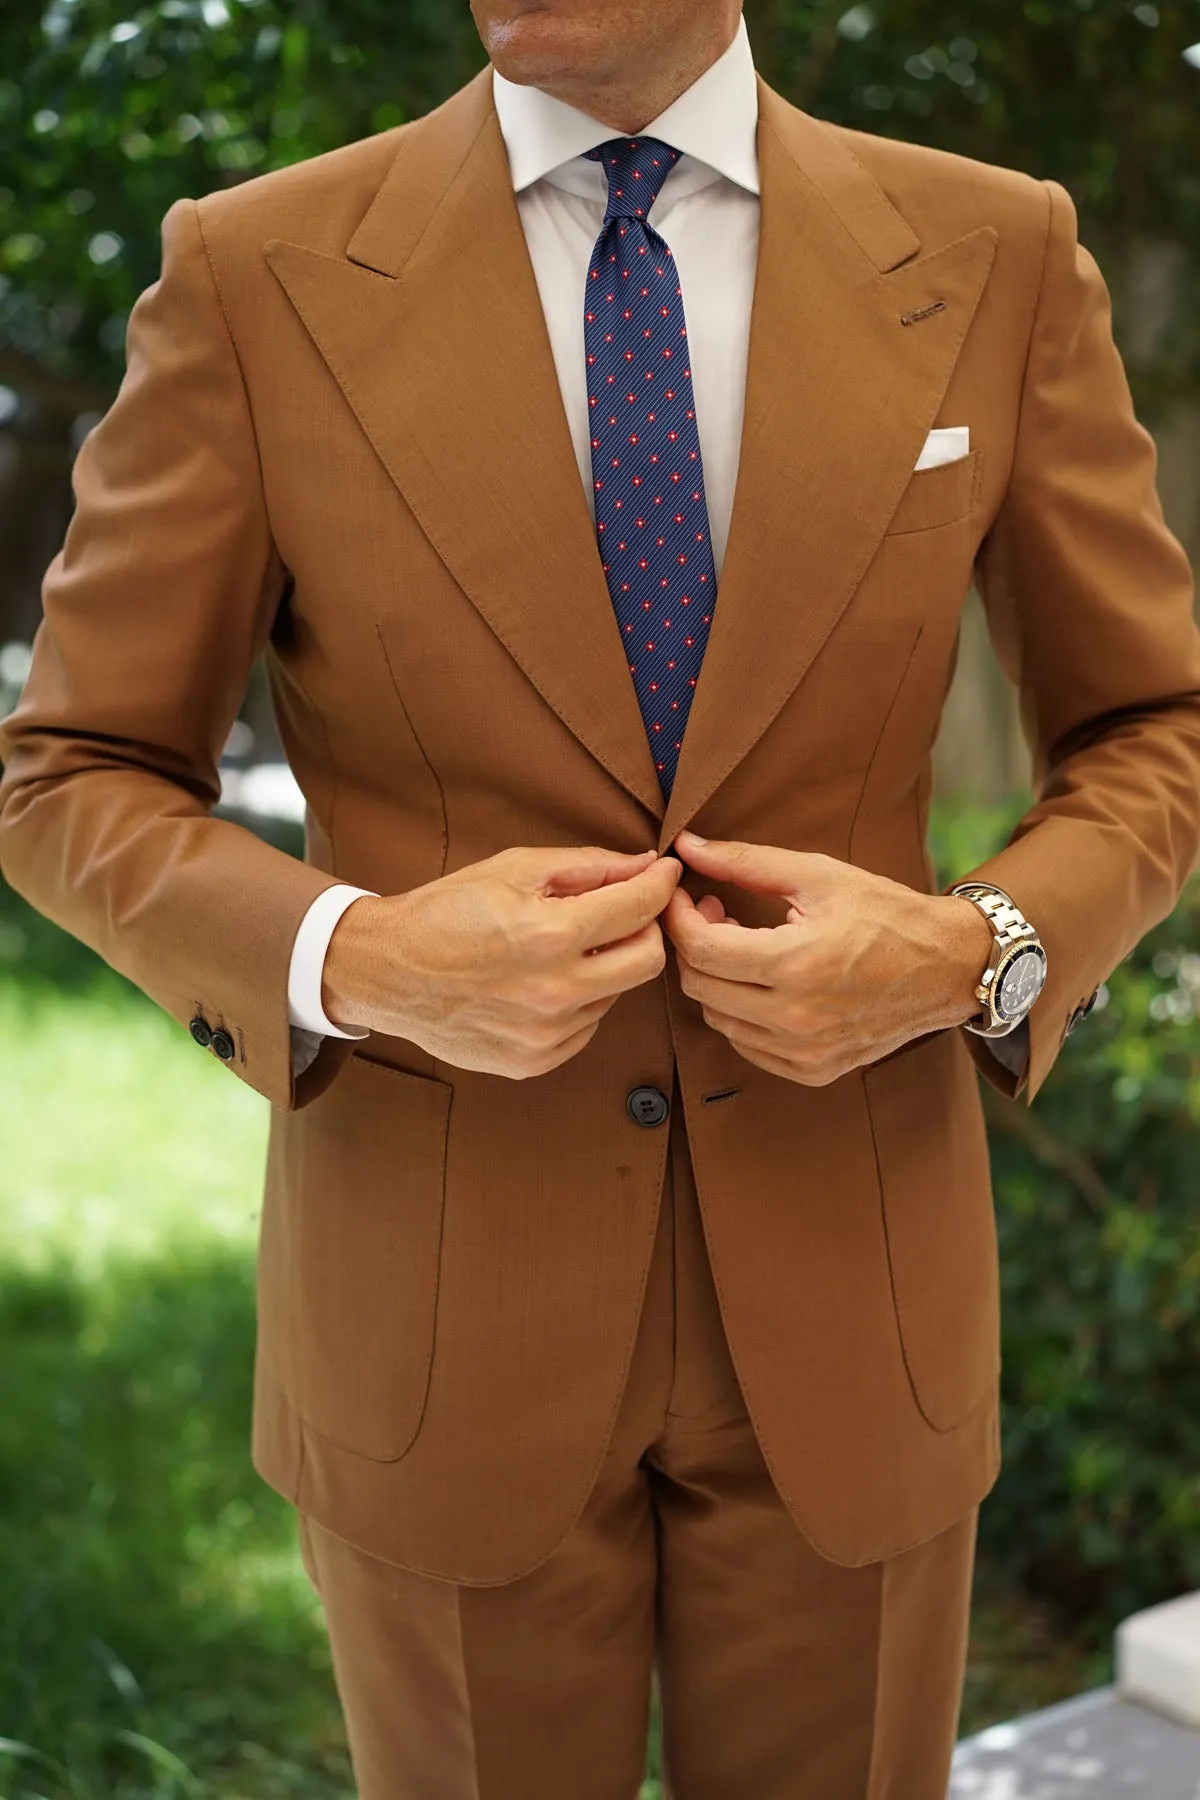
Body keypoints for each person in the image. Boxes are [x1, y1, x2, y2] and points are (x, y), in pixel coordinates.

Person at [2, 1, 1199, 1793]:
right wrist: (360, 960)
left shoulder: (996, 249)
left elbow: (1152, 723)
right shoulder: (254, 273)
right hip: (435, 1316)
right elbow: (70, 772)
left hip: (855, 1293)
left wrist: (977, 953)